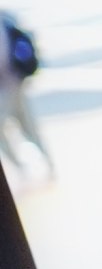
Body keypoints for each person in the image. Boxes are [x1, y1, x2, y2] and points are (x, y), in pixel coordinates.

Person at [0, 10, 48, 181]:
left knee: (25, 127)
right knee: (28, 126)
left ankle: (25, 170)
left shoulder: (5, 18)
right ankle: (43, 166)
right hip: (17, 82)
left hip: (10, 86)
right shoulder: (6, 17)